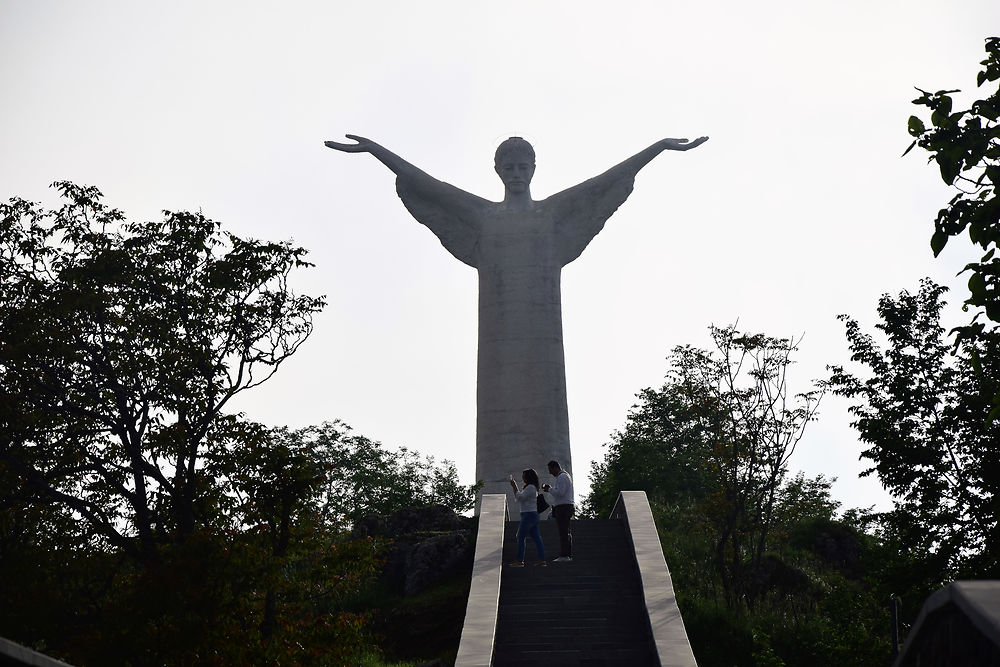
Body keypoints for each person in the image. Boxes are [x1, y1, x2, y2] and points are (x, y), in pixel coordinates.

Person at [324, 134, 709, 500]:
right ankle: (496, 496)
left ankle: (557, 503)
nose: (517, 173)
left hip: (544, 341)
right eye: (509, 167)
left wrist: (657, 148)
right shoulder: (482, 216)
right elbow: (429, 186)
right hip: (497, 341)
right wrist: (376, 150)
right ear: (498, 171)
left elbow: (601, 184)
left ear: (534, 169)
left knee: (549, 409)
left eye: (523, 166)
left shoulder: (551, 214)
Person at [508, 468, 547, 567]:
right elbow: (519, 498)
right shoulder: (530, 487)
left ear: (527, 477)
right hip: (531, 514)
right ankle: (542, 559)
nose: (522, 478)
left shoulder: (530, 487)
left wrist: (514, 487)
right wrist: (516, 489)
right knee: (536, 537)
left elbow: (520, 497)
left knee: (520, 536)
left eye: (523, 475)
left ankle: (520, 560)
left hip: (529, 515)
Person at [542, 460, 574, 562]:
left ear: (555, 467)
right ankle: (567, 554)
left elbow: (560, 493)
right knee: (565, 531)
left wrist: (550, 489)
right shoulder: (564, 476)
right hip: (565, 506)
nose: (550, 473)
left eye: (550, 470)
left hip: (564, 507)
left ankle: (565, 555)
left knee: (563, 532)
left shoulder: (562, 477)